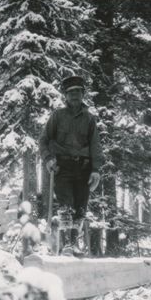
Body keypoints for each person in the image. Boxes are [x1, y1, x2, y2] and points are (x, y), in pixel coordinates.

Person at [39, 75, 104, 256]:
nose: (74, 95)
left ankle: (74, 243)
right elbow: (43, 140)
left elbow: (95, 146)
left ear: (83, 94)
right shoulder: (57, 116)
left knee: (80, 207)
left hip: (84, 168)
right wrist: (48, 158)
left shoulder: (89, 119)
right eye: (71, 92)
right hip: (62, 167)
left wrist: (96, 170)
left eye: (78, 92)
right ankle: (66, 244)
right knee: (66, 205)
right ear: (65, 96)